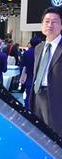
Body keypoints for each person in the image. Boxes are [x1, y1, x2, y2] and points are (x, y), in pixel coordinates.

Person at [30, 7, 62, 135]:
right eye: (47, 21)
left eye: (54, 22)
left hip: (56, 100)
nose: (50, 25)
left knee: (55, 137)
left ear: (61, 26)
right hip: (37, 96)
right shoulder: (39, 48)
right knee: (38, 134)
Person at [19, 36, 41, 111]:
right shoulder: (42, 52)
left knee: (28, 96)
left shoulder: (26, 53)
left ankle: (28, 111)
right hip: (40, 78)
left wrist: (21, 78)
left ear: (30, 44)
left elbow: (23, 66)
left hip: (29, 77)